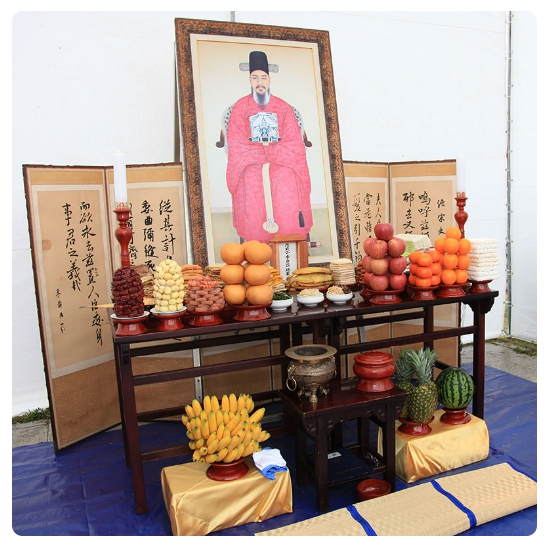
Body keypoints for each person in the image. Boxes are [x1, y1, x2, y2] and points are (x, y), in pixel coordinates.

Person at [225, 50, 314, 243]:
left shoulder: (283, 107)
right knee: (250, 177)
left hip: (282, 161)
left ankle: (290, 236)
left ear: (269, 80)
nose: (260, 82)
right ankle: (255, 239)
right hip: (250, 162)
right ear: (250, 80)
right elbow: (237, 143)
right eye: (255, 77)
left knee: (286, 177)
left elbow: (293, 143)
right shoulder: (240, 107)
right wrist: (265, 151)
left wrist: (269, 150)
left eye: (263, 78)